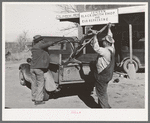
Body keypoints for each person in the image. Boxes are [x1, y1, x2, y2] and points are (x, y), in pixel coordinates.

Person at [90, 29, 115, 108]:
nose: (102, 42)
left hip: (102, 76)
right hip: (108, 75)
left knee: (101, 93)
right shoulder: (112, 49)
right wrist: (109, 28)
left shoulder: (105, 51)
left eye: (103, 41)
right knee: (103, 92)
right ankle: (102, 106)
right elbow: (110, 36)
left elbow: (96, 48)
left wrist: (94, 36)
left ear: (106, 43)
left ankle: (105, 110)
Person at [30, 35, 58, 105]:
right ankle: (38, 100)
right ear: (39, 41)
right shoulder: (39, 45)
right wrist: (55, 41)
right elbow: (48, 44)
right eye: (42, 40)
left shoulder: (34, 47)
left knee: (34, 83)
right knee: (40, 84)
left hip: (32, 68)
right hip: (39, 69)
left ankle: (34, 97)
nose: (43, 41)